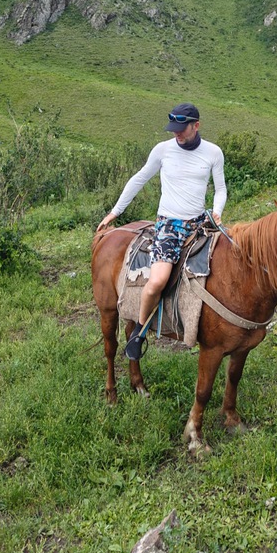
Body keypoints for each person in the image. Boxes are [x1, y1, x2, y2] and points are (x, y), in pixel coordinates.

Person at [97, 103, 227, 360]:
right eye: (173, 129)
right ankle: (139, 333)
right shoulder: (163, 150)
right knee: (157, 281)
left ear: (196, 126)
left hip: (200, 222)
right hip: (169, 225)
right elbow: (139, 179)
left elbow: (220, 188)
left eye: (181, 129)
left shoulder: (213, 152)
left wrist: (217, 210)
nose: (176, 133)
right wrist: (115, 212)